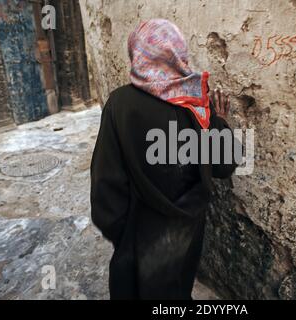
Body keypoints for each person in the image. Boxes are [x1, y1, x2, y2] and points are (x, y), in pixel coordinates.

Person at [90, 19, 239, 300]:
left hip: (136, 234)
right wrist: (219, 123)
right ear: (177, 52)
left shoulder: (120, 104)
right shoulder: (197, 102)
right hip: (185, 234)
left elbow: (105, 183)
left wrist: (121, 234)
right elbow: (224, 166)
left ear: (137, 53)